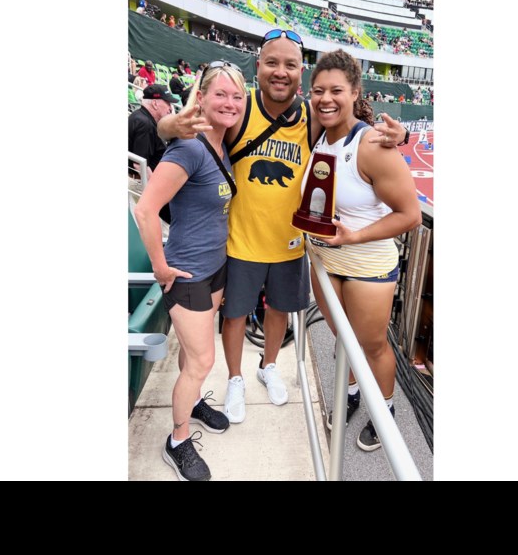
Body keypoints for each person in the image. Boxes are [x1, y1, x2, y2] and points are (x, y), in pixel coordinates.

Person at [158, 30, 406, 425]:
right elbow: (183, 126)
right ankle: (235, 377)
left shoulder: (311, 116)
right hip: (240, 241)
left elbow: (353, 126)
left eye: (290, 64)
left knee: (278, 313)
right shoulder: (240, 108)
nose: (280, 71)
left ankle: (268, 365)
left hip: (291, 244)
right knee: (236, 316)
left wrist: (401, 135)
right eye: (272, 62)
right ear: (258, 66)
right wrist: (168, 125)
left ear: (300, 73)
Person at [133, 61, 247, 481]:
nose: (230, 103)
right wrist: (161, 268)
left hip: (214, 268)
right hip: (187, 274)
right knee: (202, 359)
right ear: (200, 97)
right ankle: (177, 440)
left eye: (237, 96)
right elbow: (144, 210)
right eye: (220, 93)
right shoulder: (190, 147)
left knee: (192, 355)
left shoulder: (220, 145)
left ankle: (194, 401)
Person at [304, 49, 421, 451]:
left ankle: (385, 409)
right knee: (341, 335)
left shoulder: (370, 144)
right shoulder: (317, 132)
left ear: (355, 92)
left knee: (372, 345)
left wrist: (352, 237)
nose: (325, 98)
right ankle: (351, 394)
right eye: (318, 90)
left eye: (336, 90)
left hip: (365, 263)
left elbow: (410, 215)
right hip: (325, 259)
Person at [129, 84, 178, 223]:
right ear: (155, 103)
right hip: (140, 183)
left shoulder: (142, 118)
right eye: (167, 102)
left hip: (140, 181)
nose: (170, 108)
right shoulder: (144, 123)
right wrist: (156, 191)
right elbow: (140, 164)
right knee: (162, 229)